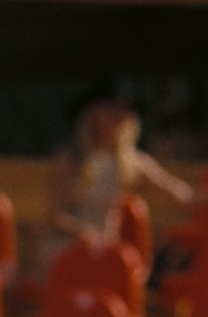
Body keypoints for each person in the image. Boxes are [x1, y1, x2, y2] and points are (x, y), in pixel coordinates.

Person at [36, 98, 191, 282]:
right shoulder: (70, 159)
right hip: (69, 241)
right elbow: (57, 217)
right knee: (88, 260)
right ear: (93, 114)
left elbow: (177, 192)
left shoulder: (131, 162)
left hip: (109, 247)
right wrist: (88, 237)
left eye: (124, 112)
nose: (119, 117)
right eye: (111, 111)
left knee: (115, 264)